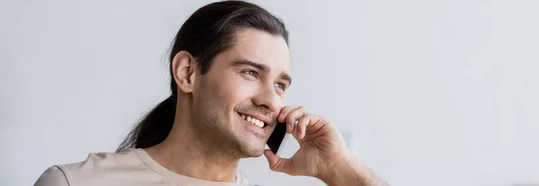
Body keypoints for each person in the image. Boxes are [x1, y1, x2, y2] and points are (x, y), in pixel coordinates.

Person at [34, 1, 387, 186]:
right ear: (187, 73)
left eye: (280, 85)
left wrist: (339, 170)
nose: (271, 100)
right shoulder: (74, 184)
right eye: (250, 72)